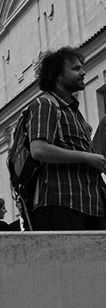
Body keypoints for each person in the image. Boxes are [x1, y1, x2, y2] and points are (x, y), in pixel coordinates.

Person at [26, 47, 106, 230]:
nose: (83, 72)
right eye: (76, 69)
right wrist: (87, 157)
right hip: (62, 202)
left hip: (90, 203)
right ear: (57, 76)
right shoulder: (45, 104)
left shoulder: (72, 111)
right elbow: (39, 150)